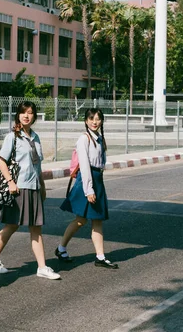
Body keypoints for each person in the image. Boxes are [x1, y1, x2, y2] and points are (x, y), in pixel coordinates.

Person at [0, 101, 61, 280]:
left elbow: (37, 165)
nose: (27, 115)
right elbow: (2, 160)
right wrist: (10, 182)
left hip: (33, 187)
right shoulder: (13, 137)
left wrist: (41, 186)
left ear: (34, 117)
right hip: (18, 187)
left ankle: (42, 267)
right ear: (18, 115)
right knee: (12, 224)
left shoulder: (35, 137)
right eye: (23, 112)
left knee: (36, 228)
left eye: (30, 113)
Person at [56, 108, 118, 269]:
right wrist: (89, 189)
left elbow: (101, 162)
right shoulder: (84, 139)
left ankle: (100, 257)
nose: (94, 121)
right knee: (80, 220)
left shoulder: (99, 138)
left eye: (97, 119)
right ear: (85, 121)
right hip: (87, 180)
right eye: (91, 118)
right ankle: (61, 248)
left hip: (97, 179)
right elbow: (84, 165)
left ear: (102, 121)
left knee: (97, 220)